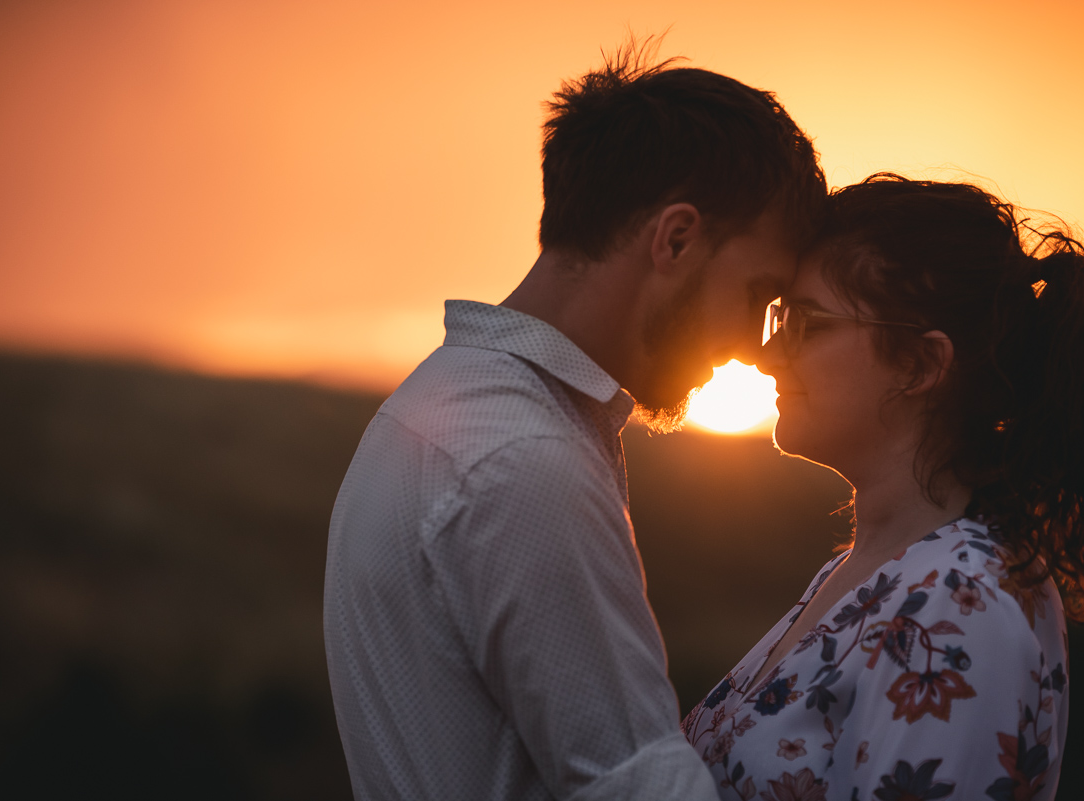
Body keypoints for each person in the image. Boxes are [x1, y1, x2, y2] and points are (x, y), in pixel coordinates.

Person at [322, 40, 828, 801]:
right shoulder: (524, 462)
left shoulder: (437, 405)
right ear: (676, 238)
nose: (754, 348)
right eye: (758, 294)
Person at [682, 174, 1084, 801]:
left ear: (920, 364)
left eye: (805, 323)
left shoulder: (960, 601)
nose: (767, 354)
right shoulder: (872, 571)